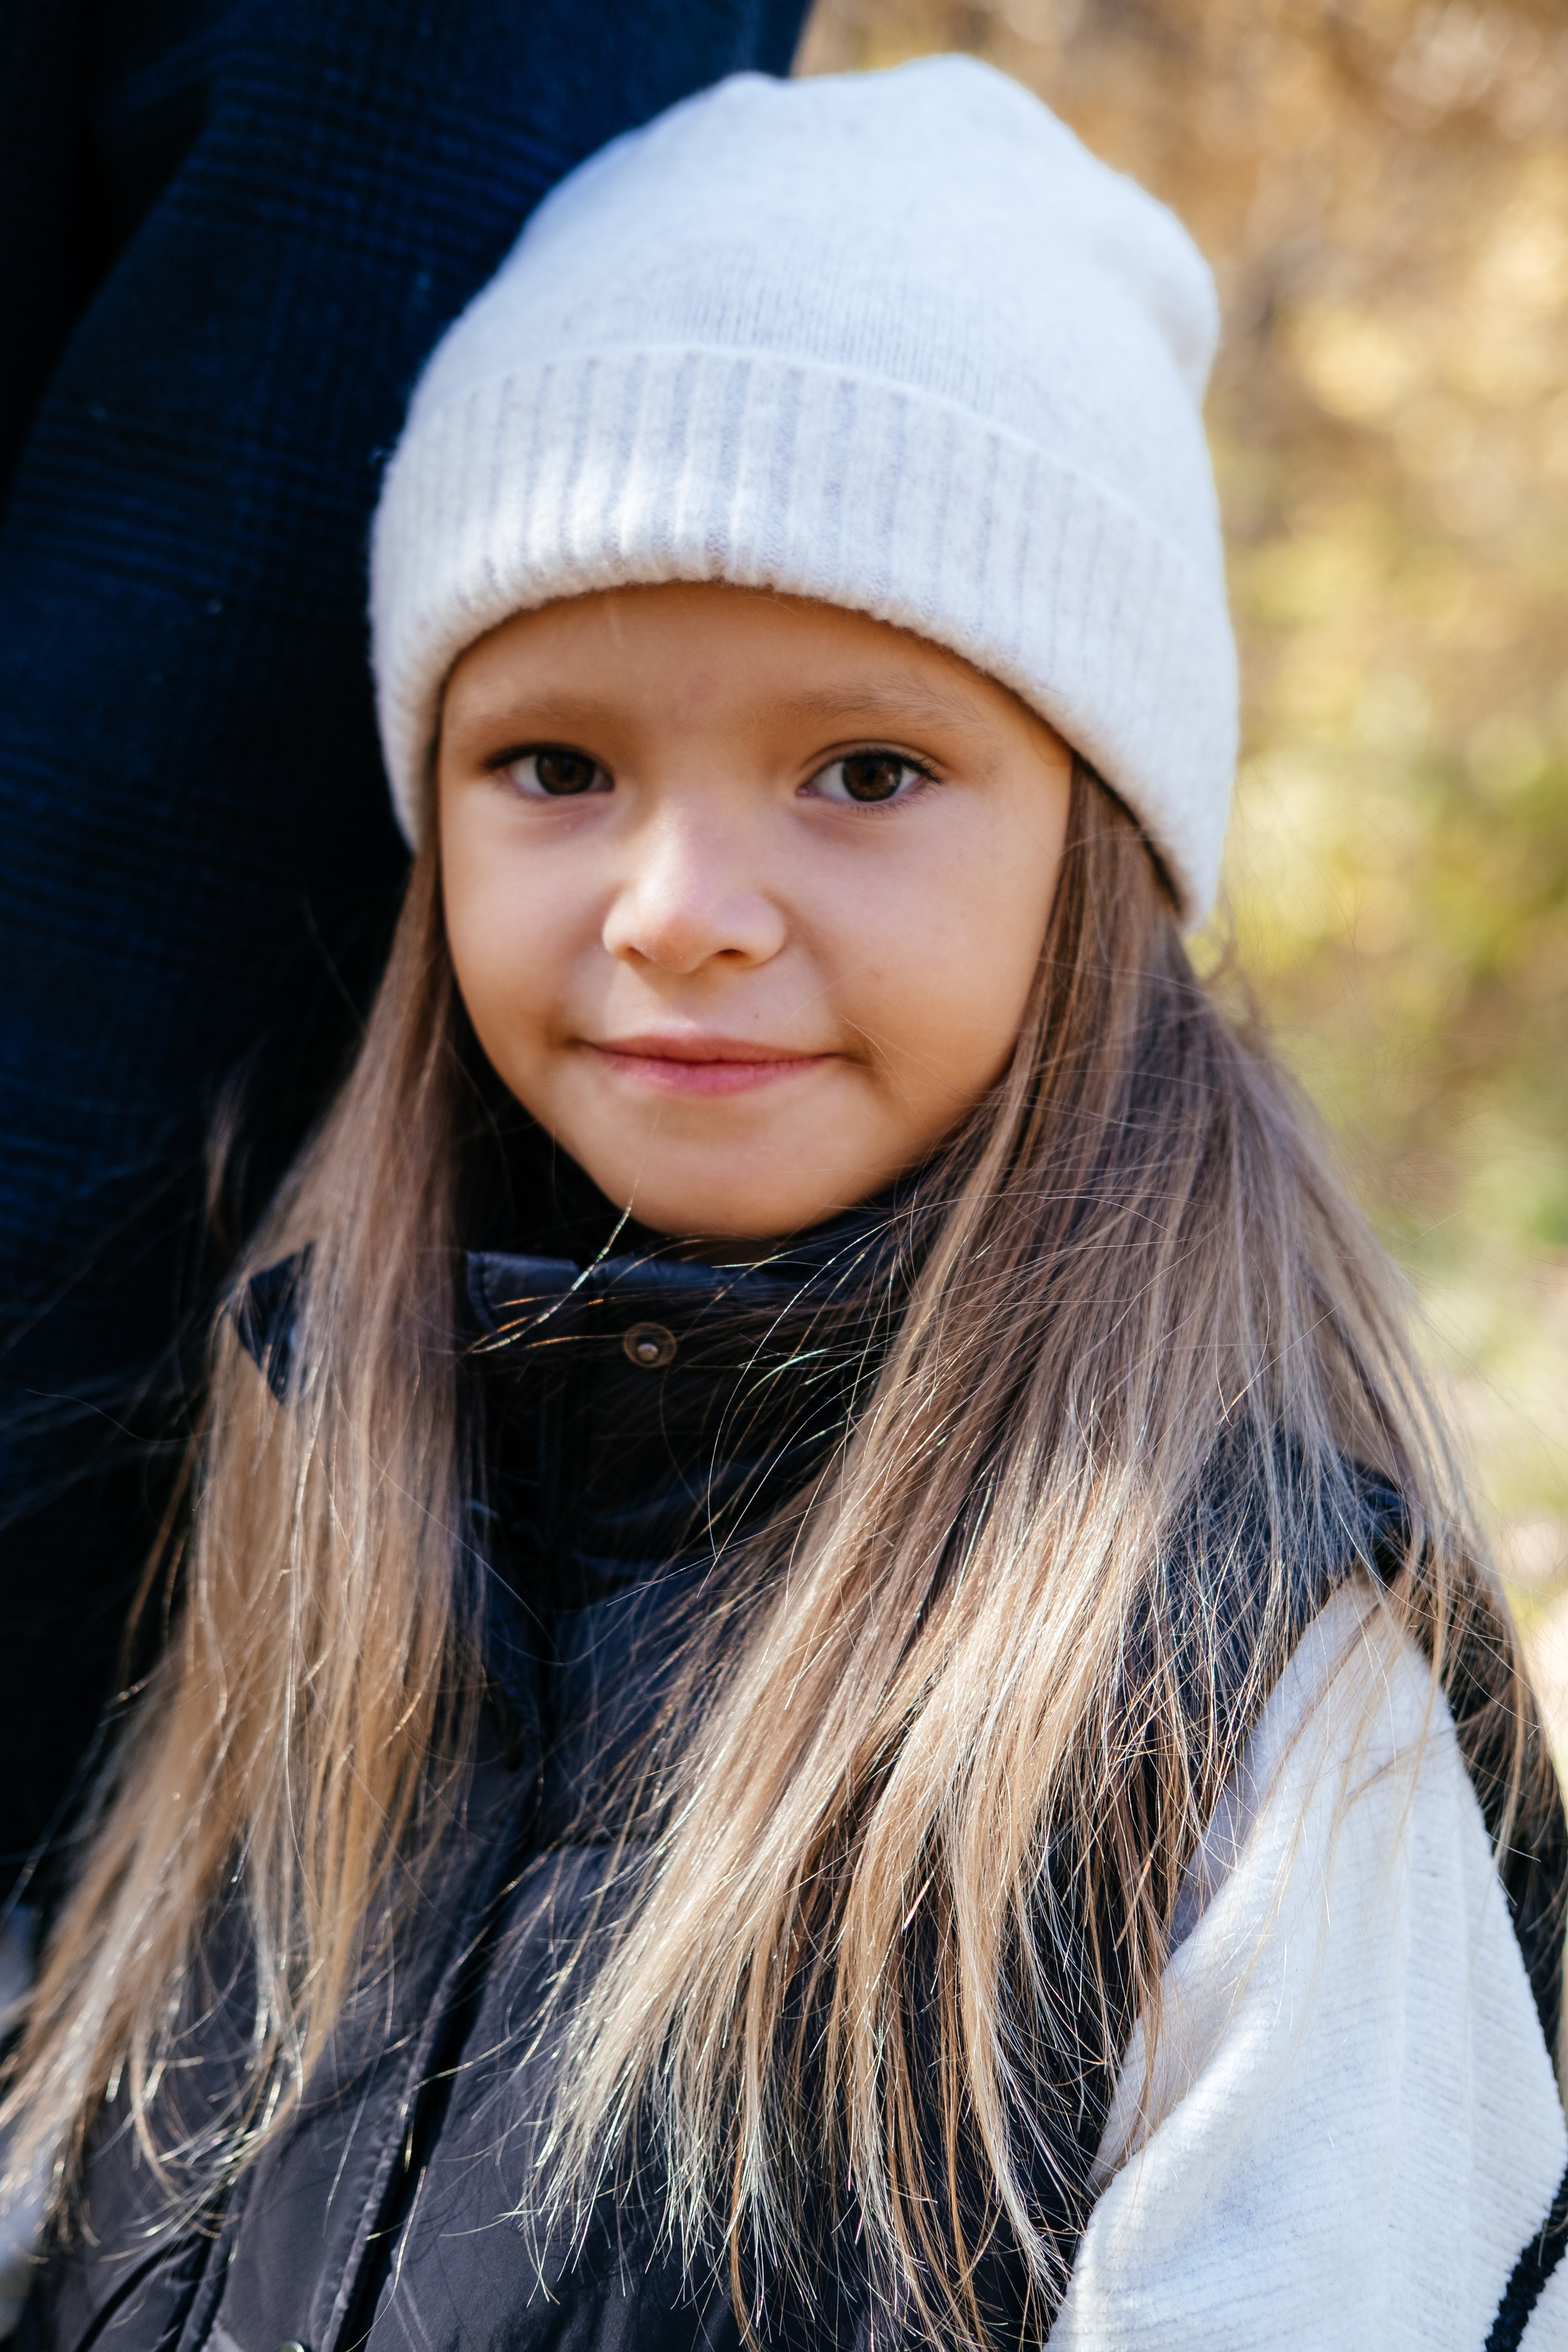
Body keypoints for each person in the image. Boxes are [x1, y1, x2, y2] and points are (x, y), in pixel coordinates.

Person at [5, 57, 1566, 2352]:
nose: (678, 907)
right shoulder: (291, 1508)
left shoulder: (1235, 1701)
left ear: (1095, 847)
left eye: (866, 771)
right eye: (556, 764)